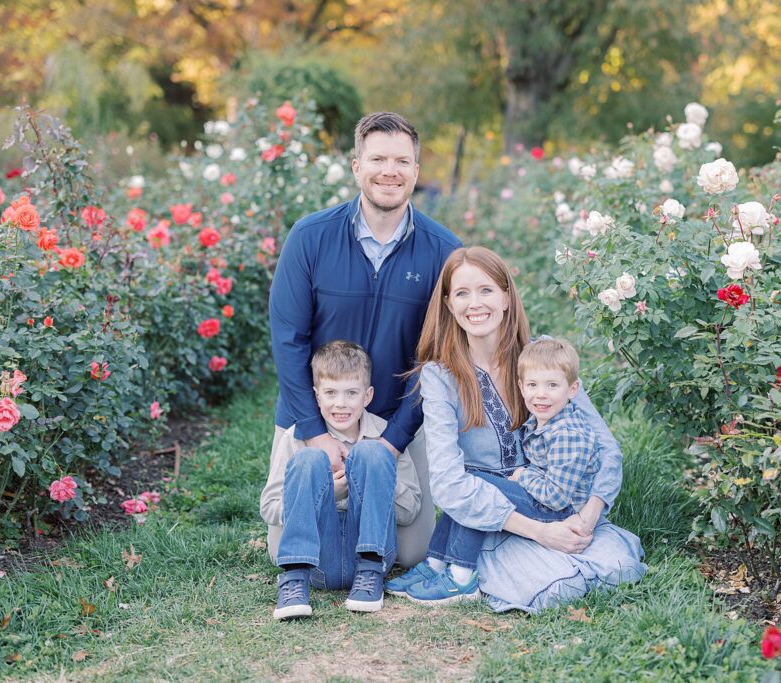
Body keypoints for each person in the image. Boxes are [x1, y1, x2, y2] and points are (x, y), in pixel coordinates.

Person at [384, 246, 646, 612]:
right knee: (543, 574)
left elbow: (607, 449)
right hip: (487, 515)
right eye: (462, 293)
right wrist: (541, 533)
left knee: (610, 560)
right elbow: (448, 484)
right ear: (448, 304)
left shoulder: (542, 359)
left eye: (486, 290)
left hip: (552, 499)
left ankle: (448, 567)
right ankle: (439, 566)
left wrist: (586, 519)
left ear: (507, 297)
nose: (475, 303)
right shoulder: (439, 376)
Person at [262, 112, 461, 570]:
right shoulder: (310, 237)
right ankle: (337, 542)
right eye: (378, 159)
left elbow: (440, 358)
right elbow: (289, 340)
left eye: (401, 161)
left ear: (415, 170)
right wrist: (312, 432)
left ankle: (361, 546)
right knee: (284, 551)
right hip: (318, 410)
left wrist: (392, 441)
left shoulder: (443, 250)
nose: (389, 171)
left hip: (395, 417)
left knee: (410, 554)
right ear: (357, 167)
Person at [401, 337, 599, 604]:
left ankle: (461, 578)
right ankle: (436, 564)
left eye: (552, 385)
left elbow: (556, 496)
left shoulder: (568, 434)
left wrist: (523, 476)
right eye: (533, 385)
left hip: (558, 510)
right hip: (539, 495)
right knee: (465, 486)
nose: (541, 394)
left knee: (478, 486)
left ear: (572, 389)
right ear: (521, 387)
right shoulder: (549, 419)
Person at [261, 341, 422, 618]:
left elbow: (409, 511)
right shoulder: (297, 437)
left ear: (367, 396)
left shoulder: (383, 436)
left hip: (374, 559)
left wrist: (374, 482)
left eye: (351, 393)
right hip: (318, 561)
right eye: (331, 393)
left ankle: (370, 570)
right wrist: (327, 494)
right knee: (310, 459)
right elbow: (269, 507)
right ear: (316, 396)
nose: (341, 403)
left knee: (372, 452)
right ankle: (293, 579)